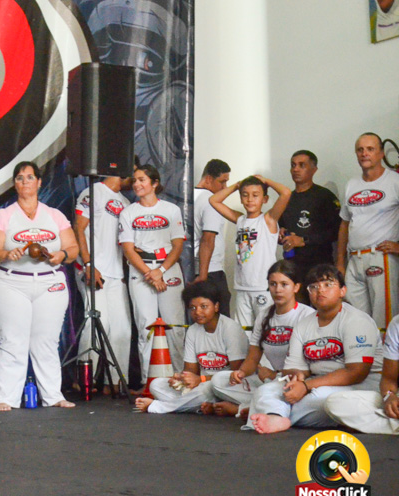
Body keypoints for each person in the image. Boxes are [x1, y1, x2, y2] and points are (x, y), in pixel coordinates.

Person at [0, 161, 78, 410]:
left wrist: (61, 255)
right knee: (13, 341)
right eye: (20, 178)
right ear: (15, 184)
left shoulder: (54, 215)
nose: (25, 182)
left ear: (39, 182)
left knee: (46, 341)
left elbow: (73, 248)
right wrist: (6, 254)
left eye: (30, 177)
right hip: (11, 281)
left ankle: (53, 395)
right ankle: (5, 397)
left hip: (49, 281)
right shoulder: (4, 215)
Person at [248, 265, 383, 434]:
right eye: (314, 287)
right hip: (316, 383)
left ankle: (273, 413)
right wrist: (297, 377)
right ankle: (276, 416)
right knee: (267, 390)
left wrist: (306, 386)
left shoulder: (357, 320)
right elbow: (294, 368)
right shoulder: (304, 324)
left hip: (361, 385)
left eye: (328, 284)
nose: (320, 290)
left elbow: (357, 373)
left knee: (322, 400)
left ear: (342, 291)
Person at [209, 260, 312, 417]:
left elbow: (310, 366)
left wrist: (275, 375)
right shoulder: (264, 316)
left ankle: (243, 408)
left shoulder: (307, 315)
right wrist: (241, 373)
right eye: (273, 284)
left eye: (284, 284)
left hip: (298, 381)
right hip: (272, 380)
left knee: (268, 390)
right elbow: (252, 358)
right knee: (218, 381)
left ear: (296, 287)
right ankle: (261, 403)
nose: (278, 290)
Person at [134, 281, 248, 414]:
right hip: (201, 387)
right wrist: (181, 379)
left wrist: (201, 380)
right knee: (156, 385)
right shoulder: (193, 331)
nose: (197, 312)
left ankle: (159, 407)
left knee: (207, 388)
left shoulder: (230, 329)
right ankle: (207, 406)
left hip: (226, 386)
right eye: (192, 308)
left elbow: (236, 374)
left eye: (203, 306)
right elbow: (190, 371)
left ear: (216, 306)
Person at [118, 164, 187, 382]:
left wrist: (161, 271)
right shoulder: (128, 212)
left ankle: (179, 378)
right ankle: (149, 381)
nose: (137, 184)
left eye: (142, 180)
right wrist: (151, 273)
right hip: (142, 271)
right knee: (146, 326)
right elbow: (128, 249)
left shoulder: (171, 210)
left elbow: (178, 245)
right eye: (134, 180)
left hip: (168, 268)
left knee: (174, 326)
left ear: (154, 183)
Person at [209, 175, 291, 332]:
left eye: (255, 195)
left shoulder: (268, 220)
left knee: (265, 331)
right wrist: (236, 186)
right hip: (242, 287)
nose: (250, 199)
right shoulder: (240, 219)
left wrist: (267, 180)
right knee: (243, 332)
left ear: (265, 199)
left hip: (262, 287)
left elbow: (286, 193)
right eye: (245, 195)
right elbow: (214, 200)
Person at [74, 174, 132, 390]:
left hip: (116, 272)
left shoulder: (126, 202)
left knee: (122, 329)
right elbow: (78, 228)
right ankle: (83, 380)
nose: (134, 181)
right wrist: (88, 263)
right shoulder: (92, 192)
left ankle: (115, 383)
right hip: (93, 269)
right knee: (97, 324)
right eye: (133, 173)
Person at [337, 133, 399, 330]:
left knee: (383, 321)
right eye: (360, 150)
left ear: (381, 153)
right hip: (354, 259)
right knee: (356, 321)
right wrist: (340, 262)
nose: (364, 153)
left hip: (381, 257)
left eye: (370, 149)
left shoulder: (394, 181)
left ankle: (384, 352)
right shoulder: (352, 184)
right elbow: (345, 224)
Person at [325, 312, 399, 434]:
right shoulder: (396, 324)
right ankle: (393, 425)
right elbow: (388, 380)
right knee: (335, 403)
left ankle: (386, 425)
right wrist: (389, 396)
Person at [278, 150, 341, 282]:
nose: (296, 169)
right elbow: (281, 227)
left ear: (314, 169)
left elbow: (337, 232)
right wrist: (280, 234)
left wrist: (304, 240)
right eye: (293, 165)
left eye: (302, 165)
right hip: (292, 267)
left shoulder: (324, 196)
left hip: (320, 266)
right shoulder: (286, 199)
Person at [192, 159, 231, 315]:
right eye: (222, 182)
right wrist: (203, 275)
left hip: (190, 267)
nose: (225, 187)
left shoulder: (187, 197)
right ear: (208, 179)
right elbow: (207, 239)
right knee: (220, 321)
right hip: (210, 271)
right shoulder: (210, 202)